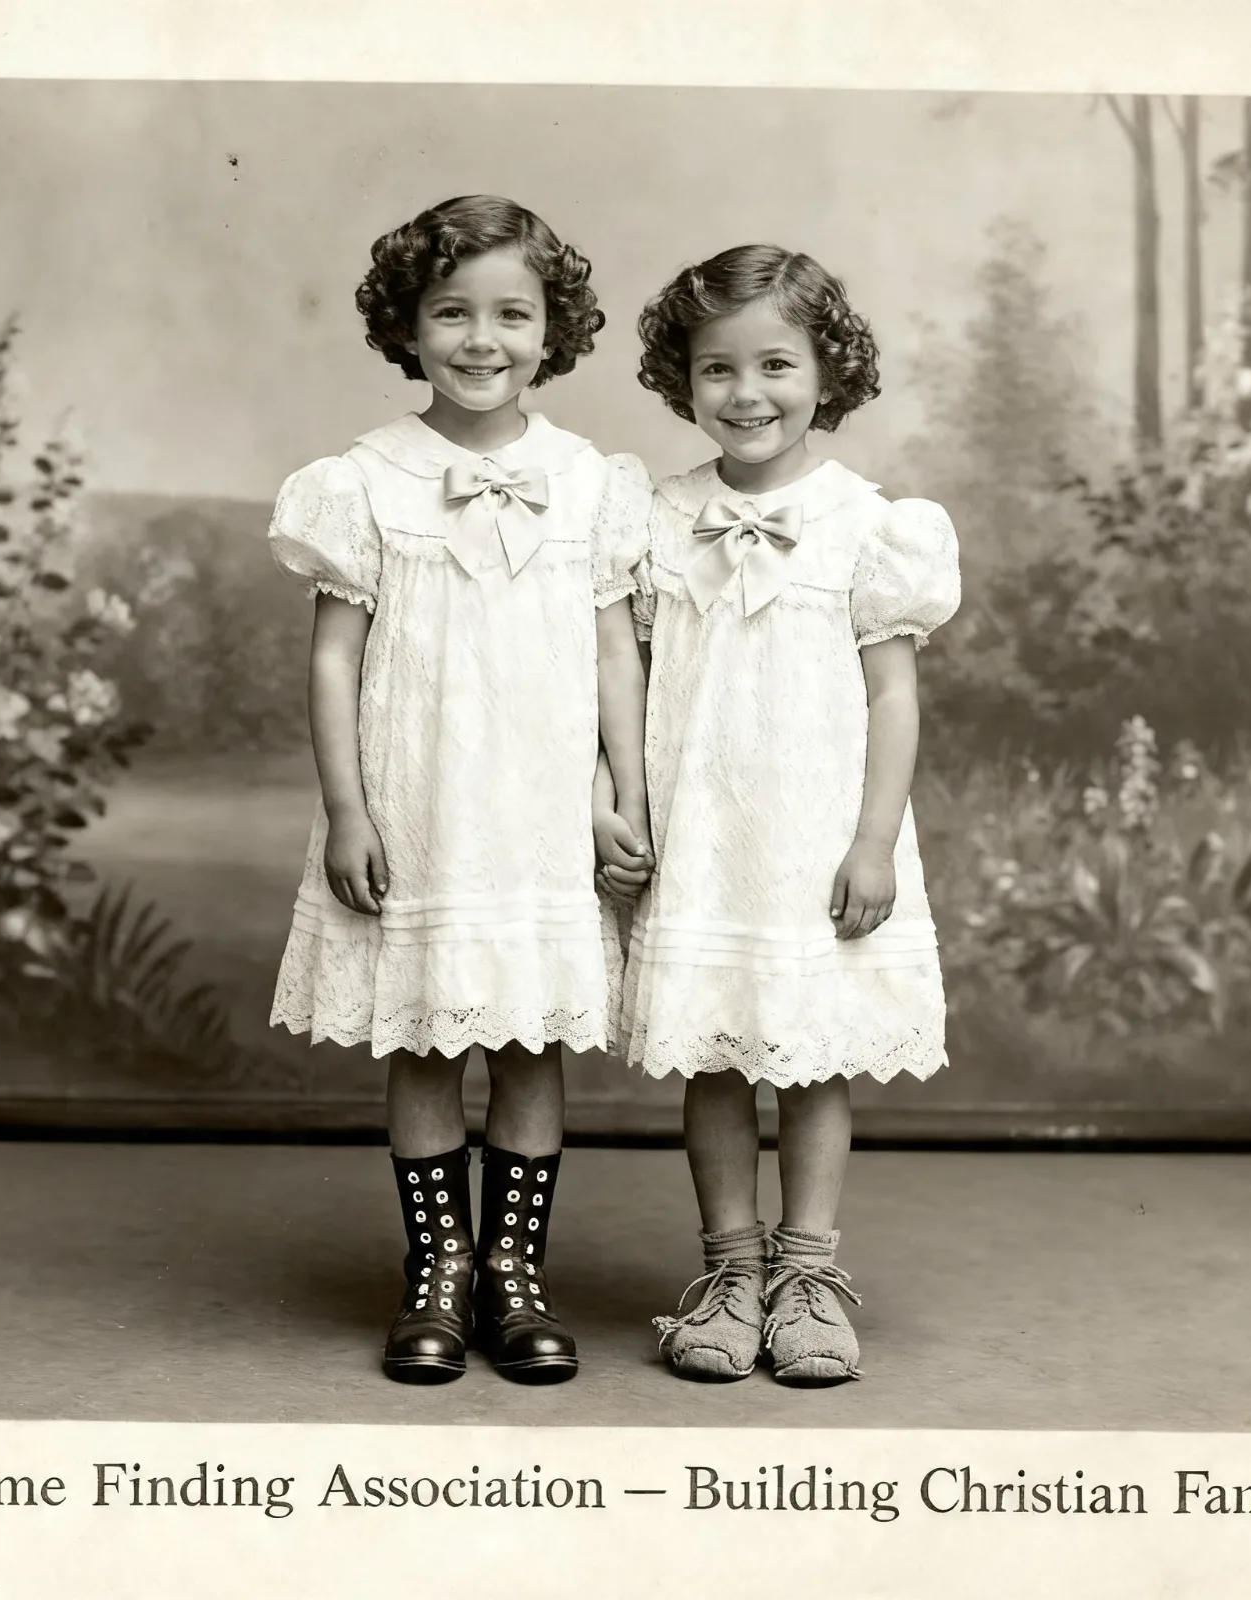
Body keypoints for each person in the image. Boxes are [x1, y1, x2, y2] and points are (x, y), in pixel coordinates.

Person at [268, 195, 651, 1385]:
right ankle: (435, 1269)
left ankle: (512, 1273)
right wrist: (347, 809)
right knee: (428, 1040)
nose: (481, 339)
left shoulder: (588, 482)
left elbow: (610, 656)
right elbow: (335, 657)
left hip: (540, 805)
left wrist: (620, 792)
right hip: (420, 799)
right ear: (408, 326)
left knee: (531, 1037)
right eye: (451, 312)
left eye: (511, 314)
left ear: (553, 328)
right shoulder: (367, 479)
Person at [596, 243, 960, 1384]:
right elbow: (620, 678)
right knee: (712, 1055)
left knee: (809, 1063)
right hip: (706, 832)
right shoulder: (657, 517)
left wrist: (870, 839)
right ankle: (730, 1270)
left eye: (773, 365)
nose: (745, 394)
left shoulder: (868, 522)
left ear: (826, 369)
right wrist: (621, 801)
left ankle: (806, 1275)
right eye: (715, 370)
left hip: (814, 834)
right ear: (680, 380)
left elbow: (893, 692)